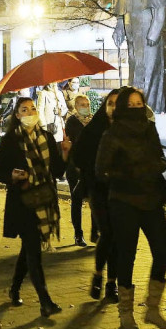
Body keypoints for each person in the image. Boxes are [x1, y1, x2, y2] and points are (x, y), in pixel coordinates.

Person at [95, 86, 166, 329]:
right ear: (123, 107)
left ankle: (153, 308)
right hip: (124, 201)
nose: (137, 108)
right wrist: (129, 172)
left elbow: (161, 158)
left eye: (141, 104)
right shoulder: (113, 133)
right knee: (127, 254)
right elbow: (101, 170)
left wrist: (154, 166)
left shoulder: (149, 129)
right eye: (132, 104)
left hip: (151, 198)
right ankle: (125, 313)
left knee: (161, 251)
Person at [0, 96, 67, 317]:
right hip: (23, 203)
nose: (30, 113)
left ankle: (14, 288)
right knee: (34, 251)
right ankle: (45, 301)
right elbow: (0, 173)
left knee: (29, 250)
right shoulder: (10, 141)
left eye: (33, 108)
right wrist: (13, 175)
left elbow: (57, 172)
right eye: (24, 110)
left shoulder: (46, 137)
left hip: (45, 201)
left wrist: (64, 152)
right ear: (17, 115)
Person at [70, 89, 119, 302]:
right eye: (111, 103)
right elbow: (78, 157)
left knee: (116, 238)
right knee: (107, 233)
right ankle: (99, 275)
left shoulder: (128, 130)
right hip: (98, 190)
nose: (114, 108)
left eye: (119, 104)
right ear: (105, 105)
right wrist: (94, 173)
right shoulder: (94, 129)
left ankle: (112, 283)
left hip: (120, 191)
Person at [63, 93, 93, 247]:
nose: (85, 107)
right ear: (75, 107)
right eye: (82, 104)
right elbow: (70, 143)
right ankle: (78, 234)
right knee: (77, 200)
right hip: (75, 167)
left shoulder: (94, 121)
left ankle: (96, 231)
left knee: (95, 199)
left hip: (91, 168)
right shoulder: (71, 122)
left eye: (87, 104)